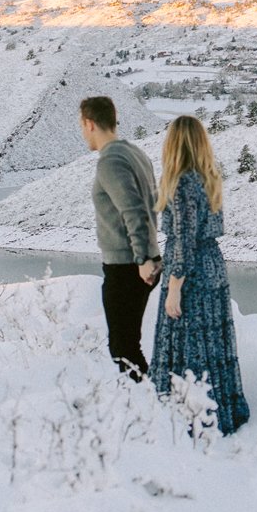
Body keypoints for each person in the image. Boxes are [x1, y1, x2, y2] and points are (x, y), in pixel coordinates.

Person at [149, 114, 249, 435]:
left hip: (191, 273)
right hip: (212, 267)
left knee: (186, 341)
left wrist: (175, 285)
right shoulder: (207, 178)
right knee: (210, 341)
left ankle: (187, 416)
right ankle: (219, 411)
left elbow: (185, 239)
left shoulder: (182, 183)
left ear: (174, 145)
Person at [81, 95, 162, 379]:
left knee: (122, 348)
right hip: (144, 260)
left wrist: (141, 258)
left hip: (127, 265)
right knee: (128, 345)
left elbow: (133, 210)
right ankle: (149, 401)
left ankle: (150, 405)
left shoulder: (110, 161)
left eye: (82, 126)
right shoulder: (135, 153)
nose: (83, 133)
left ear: (89, 123)